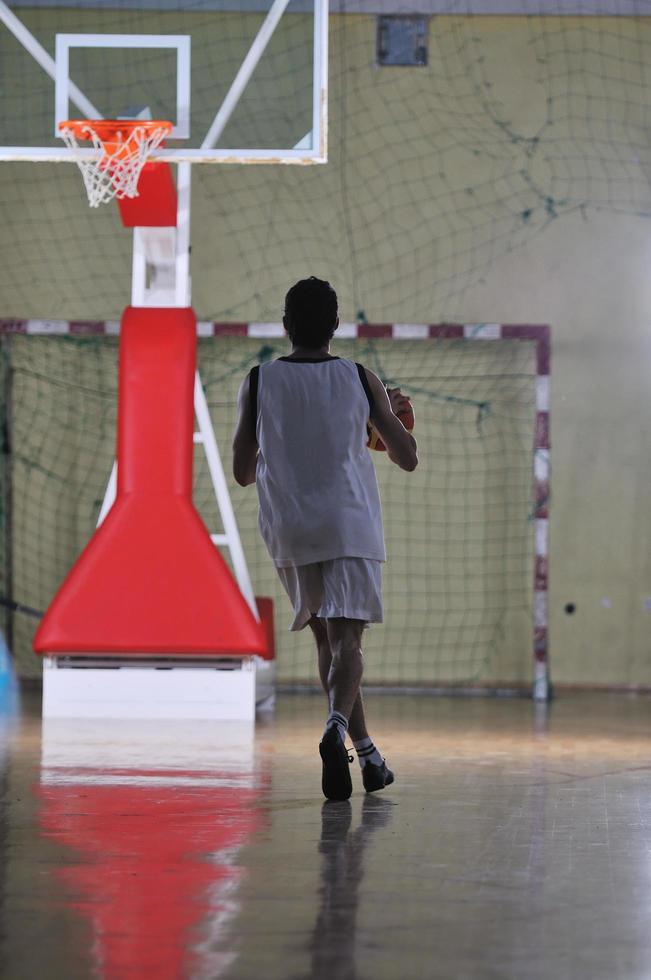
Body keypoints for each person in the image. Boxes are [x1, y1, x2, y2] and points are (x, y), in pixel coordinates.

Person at [232, 277, 418, 800]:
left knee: (326, 643)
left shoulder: (258, 380)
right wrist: (390, 418)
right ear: (336, 326)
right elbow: (407, 457)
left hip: (290, 526)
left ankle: (370, 758)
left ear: (285, 325)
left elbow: (243, 472)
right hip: (348, 522)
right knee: (349, 644)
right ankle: (335, 728)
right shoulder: (362, 380)